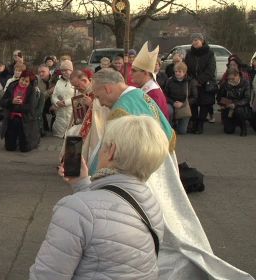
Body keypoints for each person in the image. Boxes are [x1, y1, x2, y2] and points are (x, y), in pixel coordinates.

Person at [90, 68, 254, 280]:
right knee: (169, 217)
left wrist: (88, 178)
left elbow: (107, 153)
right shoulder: (139, 95)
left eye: (98, 95)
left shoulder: (121, 110)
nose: (100, 102)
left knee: (151, 224)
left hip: (142, 175)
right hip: (161, 163)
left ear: (107, 88)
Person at [30, 115, 167, 280]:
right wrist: (81, 183)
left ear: (112, 151)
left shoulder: (75, 210)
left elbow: (47, 275)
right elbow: (108, 213)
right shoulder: (150, 203)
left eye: (103, 145)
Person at [0, 69, 41, 152]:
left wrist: (14, 107)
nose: (23, 82)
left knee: (25, 149)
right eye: (22, 80)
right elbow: (2, 102)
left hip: (25, 119)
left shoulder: (32, 90)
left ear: (29, 82)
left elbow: (30, 107)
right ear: (20, 78)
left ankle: (27, 140)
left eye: (26, 81)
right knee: (10, 148)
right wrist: (12, 101)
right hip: (11, 117)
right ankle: (13, 140)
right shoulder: (12, 86)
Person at [184, 33, 216, 134]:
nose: (194, 42)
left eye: (196, 40)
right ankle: (194, 123)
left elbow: (211, 69)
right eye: (193, 40)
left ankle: (200, 125)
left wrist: (200, 80)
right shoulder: (189, 53)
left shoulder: (209, 53)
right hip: (192, 82)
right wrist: (192, 80)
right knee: (193, 103)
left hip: (205, 83)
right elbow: (186, 68)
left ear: (202, 41)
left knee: (204, 104)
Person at [131, 42, 170, 119]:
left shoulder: (153, 94)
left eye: (134, 71)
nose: (130, 73)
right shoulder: (145, 89)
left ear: (145, 73)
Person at [164, 62, 197, 135]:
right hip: (172, 103)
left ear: (185, 72)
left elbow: (195, 97)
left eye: (179, 71)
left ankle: (179, 124)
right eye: (176, 71)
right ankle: (169, 127)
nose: (177, 73)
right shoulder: (169, 81)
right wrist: (173, 103)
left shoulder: (190, 82)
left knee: (182, 131)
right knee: (169, 111)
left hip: (185, 105)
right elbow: (165, 95)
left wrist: (183, 104)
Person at [217, 68, 252, 136]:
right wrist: (223, 104)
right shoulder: (225, 84)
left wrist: (235, 104)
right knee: (228, 130)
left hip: (242, 107)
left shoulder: (245, 83)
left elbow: (247, 99)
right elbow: (219, 97)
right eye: (229, 79)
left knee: (238, 109)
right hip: (228, 108)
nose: (231, 80)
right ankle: (234, 122)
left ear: (238, 76)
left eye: (233, 78)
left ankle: (243, 127)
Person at [51, 60, 75, 138]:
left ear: (71, 70)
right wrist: (57, 102)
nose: (64, 72)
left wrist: (66, 102)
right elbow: (54, 95)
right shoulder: (59, 82)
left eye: (66, 70)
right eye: (62, 70)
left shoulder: (75, 81)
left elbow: (78, 96)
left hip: (71, 111)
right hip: (60, 113)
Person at [36, 65, 53, 136]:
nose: (41, 74)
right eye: (39, 72)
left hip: (54, 103)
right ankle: (42, 127)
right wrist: (49, 92)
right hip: (43, 102)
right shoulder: (36, 81)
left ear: (49, 72)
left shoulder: (55, 80)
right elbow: (39, 96)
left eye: (43, 71)